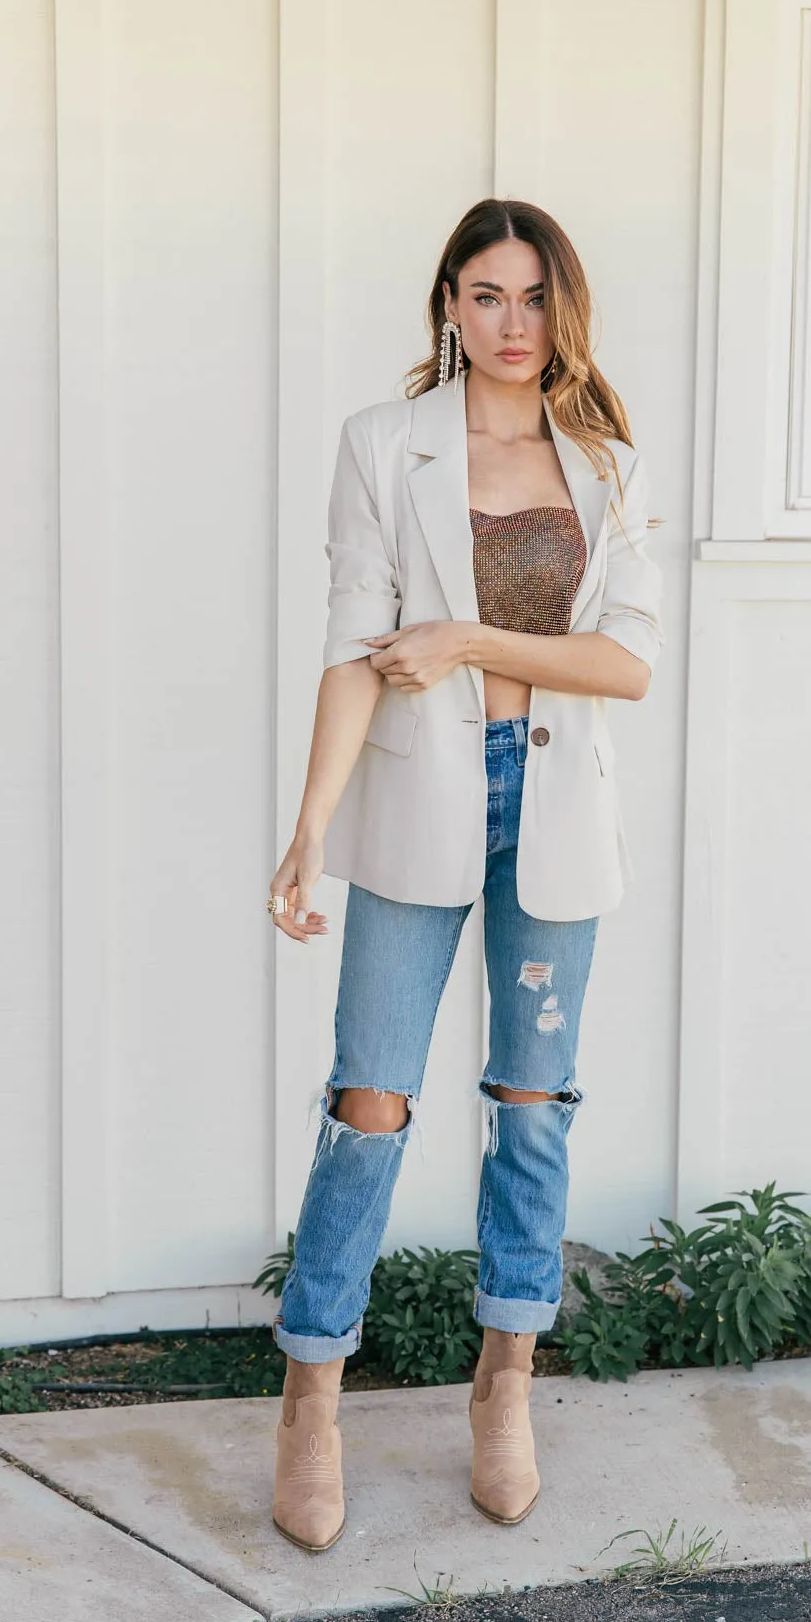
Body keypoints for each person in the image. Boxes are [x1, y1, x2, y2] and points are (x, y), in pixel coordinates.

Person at [264, 197, 665, 1552]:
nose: (512, 324)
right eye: (487, 295)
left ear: (565, 310)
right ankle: (312, 1398)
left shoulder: (604, 460)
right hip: (420, 801)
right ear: (448, 302)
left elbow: (627, 664)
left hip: (552, 809)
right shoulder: (385, 446)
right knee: (371, 1104)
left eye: (535, 298)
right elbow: (347, 646)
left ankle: (506, 1381)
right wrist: (310, 826)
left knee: (531, 1102)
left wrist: (468, 635)